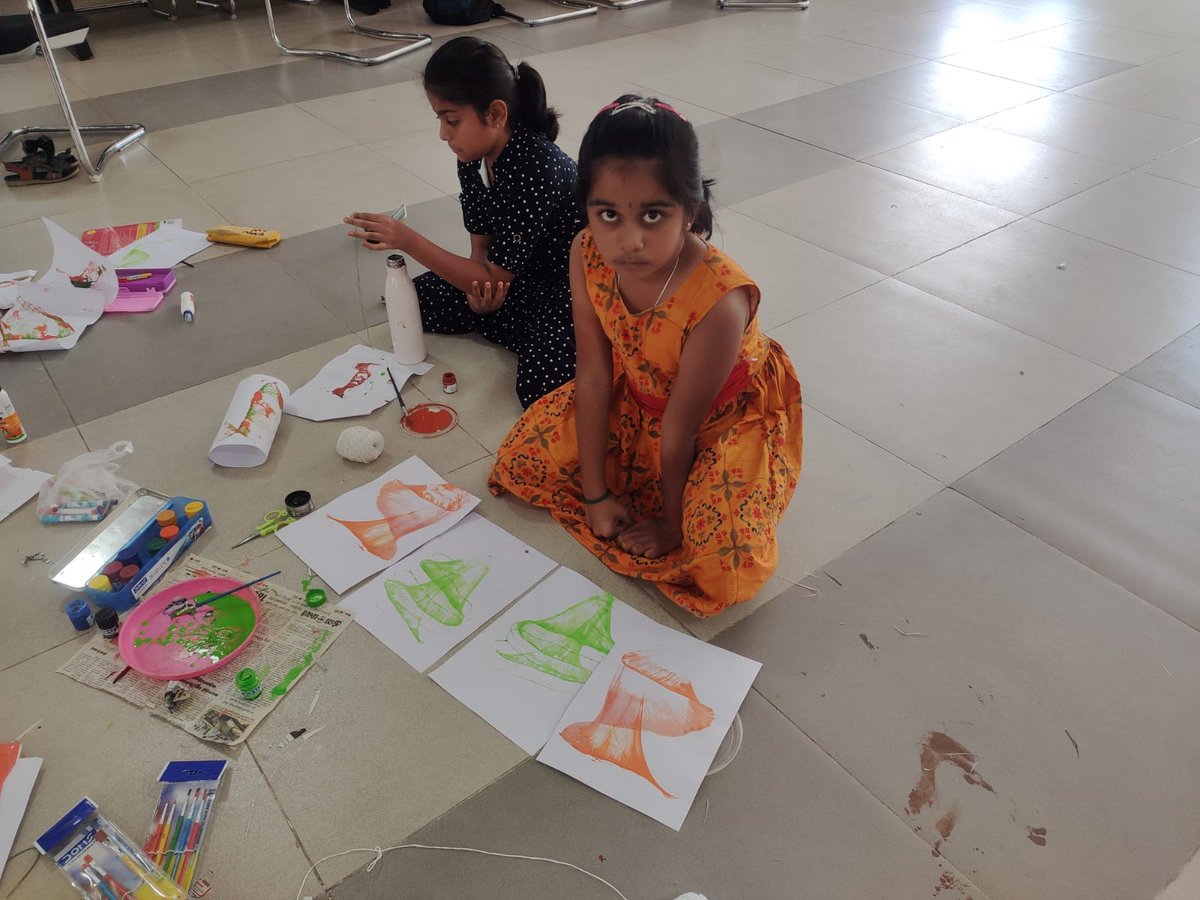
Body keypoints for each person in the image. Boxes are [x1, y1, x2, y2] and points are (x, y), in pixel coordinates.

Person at [488, 95, 804, 618]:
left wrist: (671, 527)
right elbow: (591, 376)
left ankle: (687, 509)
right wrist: (594, 496)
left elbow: (683, 426)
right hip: (637, 398)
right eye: (607, 213)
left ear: (691, 210)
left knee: (724, 563)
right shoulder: (586, 250)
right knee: (526, 456)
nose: (627, 240)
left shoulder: (719, 301)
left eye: (654, 214)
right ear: (585, 206)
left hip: (716, 424)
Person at [344, 36, 581, 408]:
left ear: (496, 114)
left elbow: (490, 276)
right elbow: (481, 252)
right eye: (440, 119)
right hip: (511, 276)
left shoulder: (537, 167)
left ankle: (557, 337)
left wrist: (406, 239)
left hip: (563, 288)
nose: (444, 134)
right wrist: (479, 292)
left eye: (452, 120)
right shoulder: (472, 155)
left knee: (540, 390)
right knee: (412, 301)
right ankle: (509, 322)